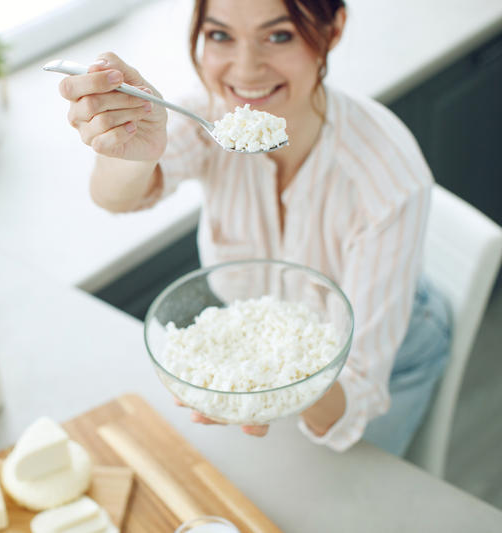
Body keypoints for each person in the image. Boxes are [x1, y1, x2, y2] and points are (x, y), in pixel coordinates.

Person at [56, 0, 451, 455]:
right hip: (281, 351)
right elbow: (117, 197)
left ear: (333, 29)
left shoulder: (388, 178)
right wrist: (128, 146)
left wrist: (276, 391)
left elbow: (358, 389)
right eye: (221, 35)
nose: (245, 71)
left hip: (395, 352)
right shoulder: (208, 116)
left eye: (279, 35)